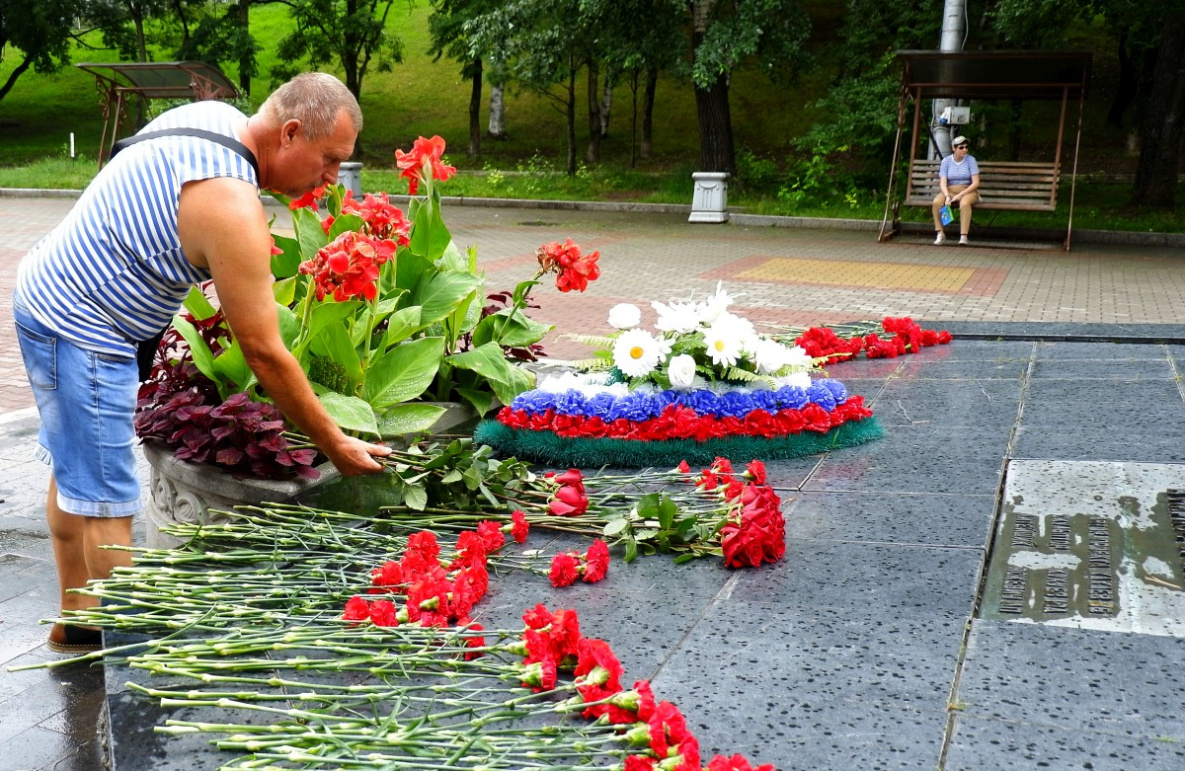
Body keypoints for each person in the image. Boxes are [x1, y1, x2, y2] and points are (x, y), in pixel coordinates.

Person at [12, 72, 392, 654]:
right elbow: (264, 351)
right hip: (82, 327)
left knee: (75, 469)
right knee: (109, 495)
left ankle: (80, 620)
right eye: (330, 159)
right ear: (290, 133)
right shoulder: (229, 202)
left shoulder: (214, 120)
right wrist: (336, 443)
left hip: (45, 291)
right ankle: (125, 663)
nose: (333, 176)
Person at [931, 135, 980, 246]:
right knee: (937, 202)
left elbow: (976, 182)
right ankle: (940, 233)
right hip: (950, 189)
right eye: (961, 147)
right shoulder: (946, 161)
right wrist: (947, 196)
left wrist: (961, 194)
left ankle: (963, 236)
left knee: (964, 203)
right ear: (954, 148)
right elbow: (943, 182)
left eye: (966, 147)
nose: (964, 150)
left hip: (967, 190)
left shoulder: (971, 160)